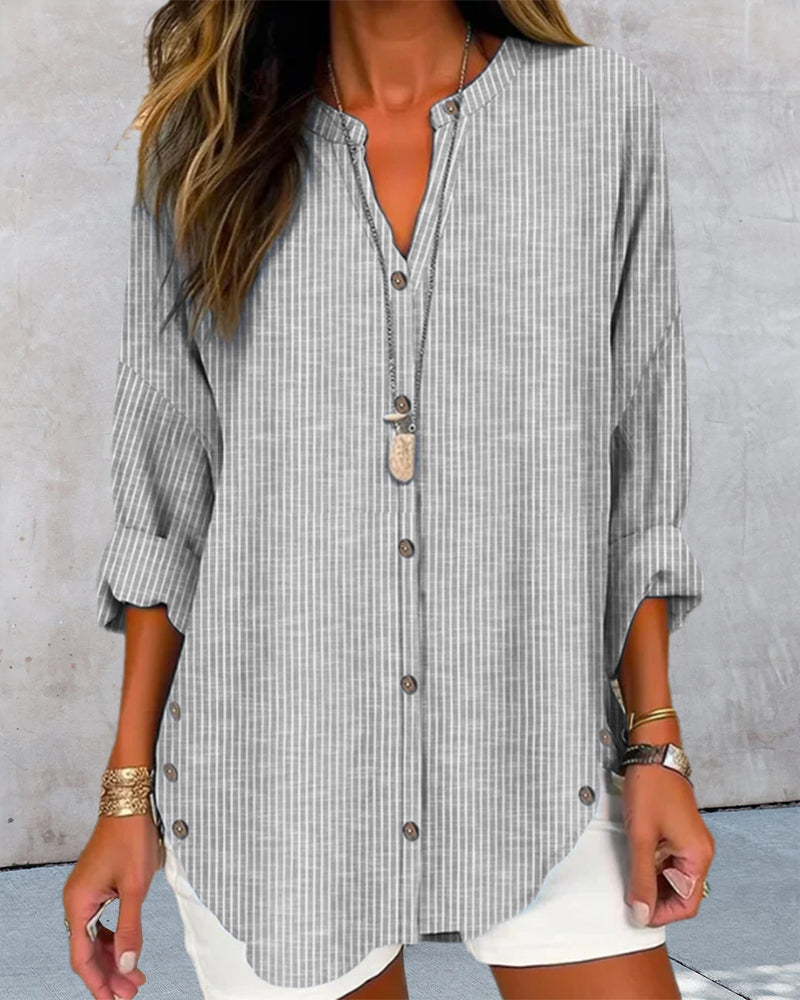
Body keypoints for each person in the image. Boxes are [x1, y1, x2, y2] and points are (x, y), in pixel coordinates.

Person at [63, 1, 715, 998]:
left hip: (540, 749)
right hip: (273, 780)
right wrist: (126, 796)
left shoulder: (597, 110)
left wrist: (655, 744)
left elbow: (638, 452)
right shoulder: (204, 143)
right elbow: (167, 496)